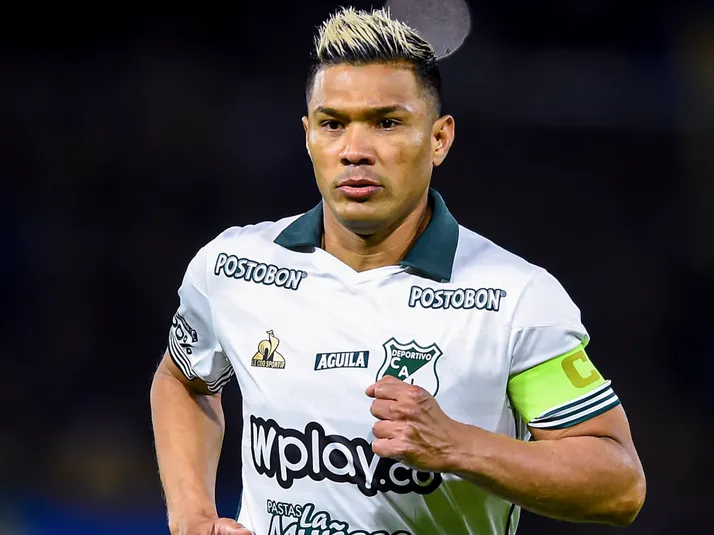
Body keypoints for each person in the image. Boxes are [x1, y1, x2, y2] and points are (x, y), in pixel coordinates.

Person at [150, 7, 646, 535]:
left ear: (439, 139)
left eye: (387, 123)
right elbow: (183, 379)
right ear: (308, 136)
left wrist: (458, 446)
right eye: (333, 124)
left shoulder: (513, 298)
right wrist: (193, 517)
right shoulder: (233, 267)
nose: (355, 151)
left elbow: (618, 485)